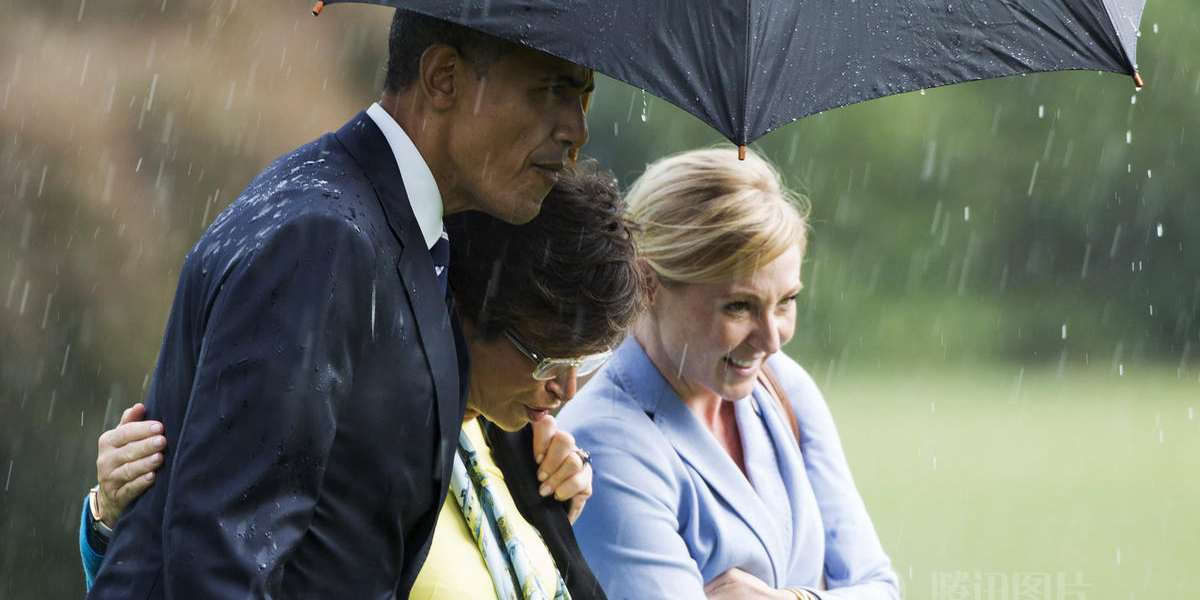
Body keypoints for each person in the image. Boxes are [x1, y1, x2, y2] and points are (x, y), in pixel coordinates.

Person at [87, 9, 593, 599]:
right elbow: (221, 561)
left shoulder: (399, 228)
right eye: (551, 90)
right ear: (443, 78)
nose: (576, 129)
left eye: (583, 96)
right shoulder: (322, 239)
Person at [81, 163, 644, 600]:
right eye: (547, 360)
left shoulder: (517, 451)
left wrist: (548, 521)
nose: (567, 390)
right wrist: (108, 526)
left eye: (588, 361)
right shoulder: (351, 425)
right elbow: (219, 568)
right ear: (474, 312)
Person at [557, 148, 901, 600]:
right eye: (739, 306)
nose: (772, 340)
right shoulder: (605, 441)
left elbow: (879, 586)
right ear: (647, 284)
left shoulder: (784, 389)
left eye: (786, 302)